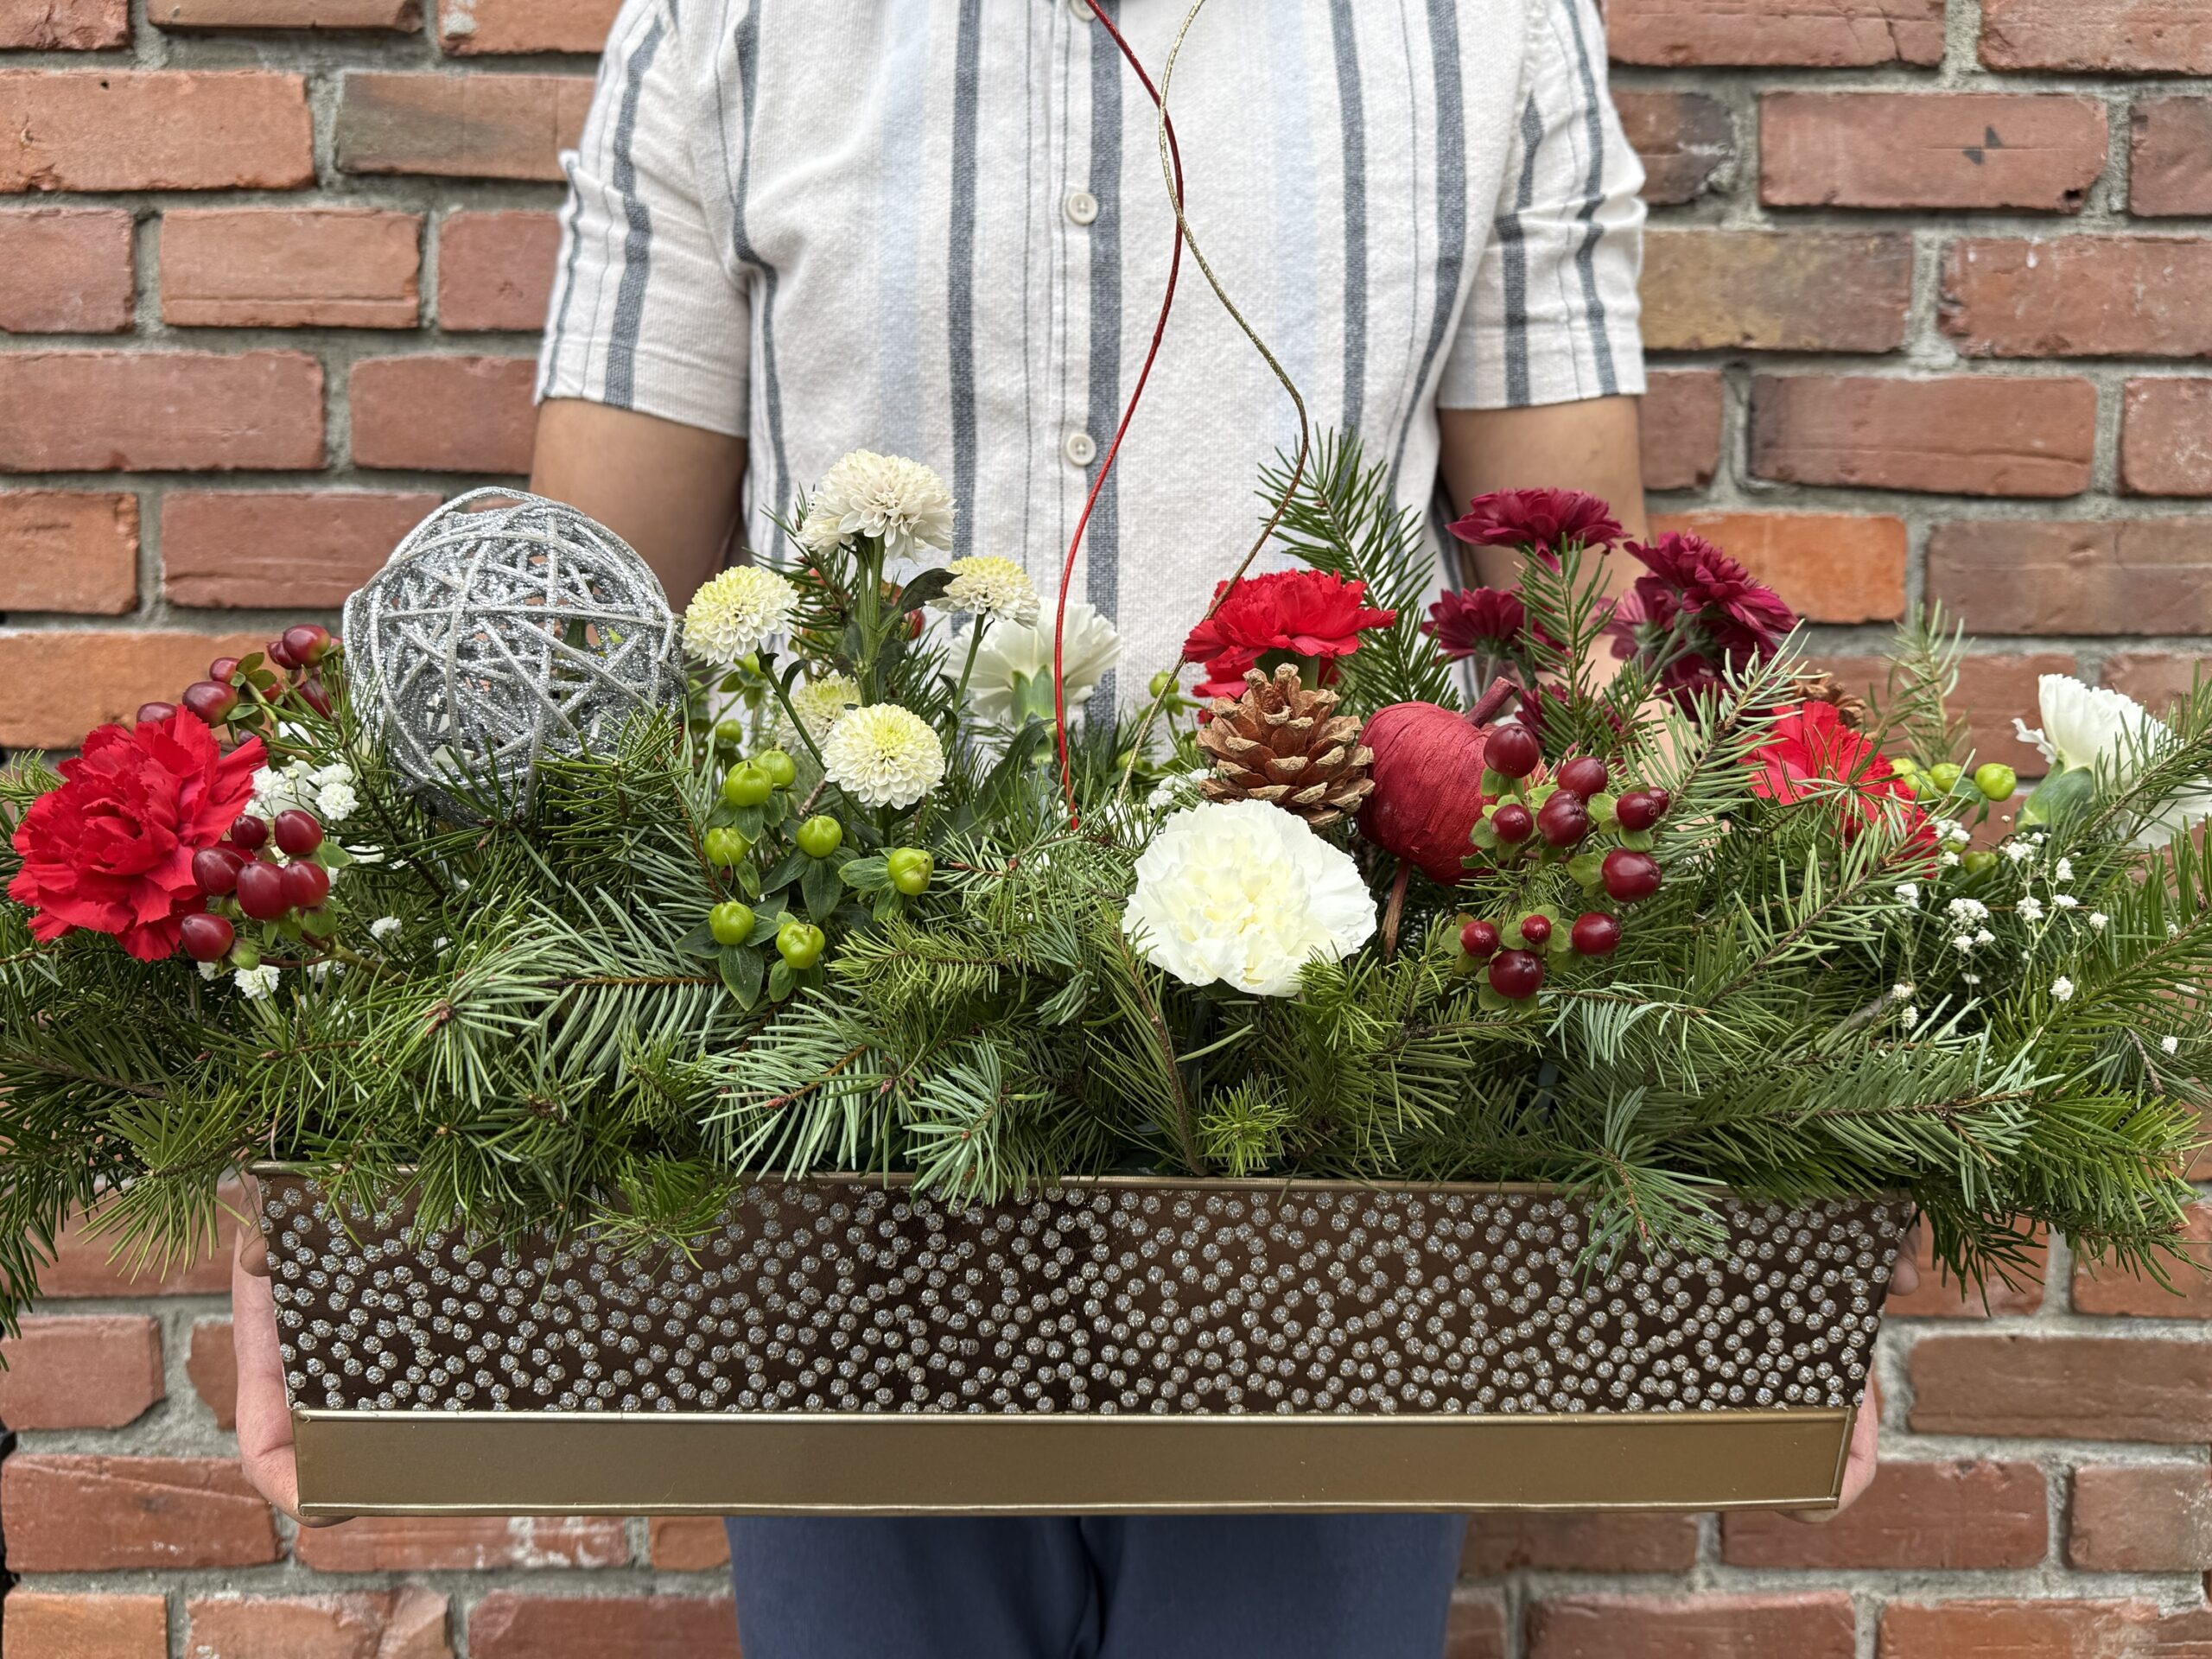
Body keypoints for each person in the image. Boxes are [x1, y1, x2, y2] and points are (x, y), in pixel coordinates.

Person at [230, 0, 1901, 1650]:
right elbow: (556, 686)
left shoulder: (1486, 30)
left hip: (1335, 1158)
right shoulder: (730, 27)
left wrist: (1782, 1161)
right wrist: (322, 1193)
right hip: (841, 1134)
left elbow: (1584, 644)